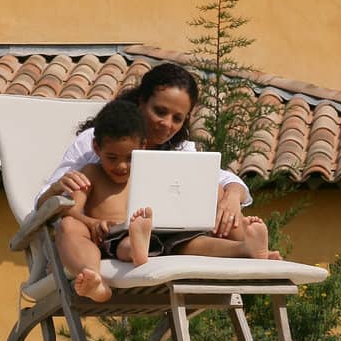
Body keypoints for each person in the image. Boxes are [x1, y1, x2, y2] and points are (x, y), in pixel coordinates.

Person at [50, 99, 278, 304]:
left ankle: (245, 249)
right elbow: (72, 211)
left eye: (130, 157)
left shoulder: (154, 169)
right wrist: (91, 222)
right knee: (123, 243)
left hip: (163, 231)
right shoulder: (89, 172)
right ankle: (96, 279)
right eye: (112, 157)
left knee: (192, 242)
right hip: (116, 234)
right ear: (96, 148)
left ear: (143, 147)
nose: (121, 166)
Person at [34, 61, 252, 236]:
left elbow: (220, 178)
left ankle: (250, 246)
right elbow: (45, 201)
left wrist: (232, 197)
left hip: (164, 241)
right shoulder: (96, 141)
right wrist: (60, 189)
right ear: (141, 102)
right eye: (160, 111)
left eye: (177, 118)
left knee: (218, 195)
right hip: (109, 238)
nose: (167, 124)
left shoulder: (179, 150)